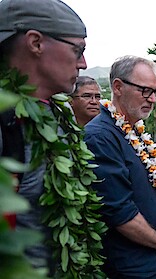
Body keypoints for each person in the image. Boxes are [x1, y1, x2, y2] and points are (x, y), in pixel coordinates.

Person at [0, 0, 88, 272]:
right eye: (78, 50)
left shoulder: (61, 112)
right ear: (36, 43)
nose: (84, 63)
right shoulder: (5, 117)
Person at [84, 55, 156, 278]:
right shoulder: (100, 136)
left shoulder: (134, 131)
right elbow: (119, 211)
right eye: (145, 90)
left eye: (155, 92)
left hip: (150, 257)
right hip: (128, 264)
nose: (152, 99)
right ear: (118, 87)